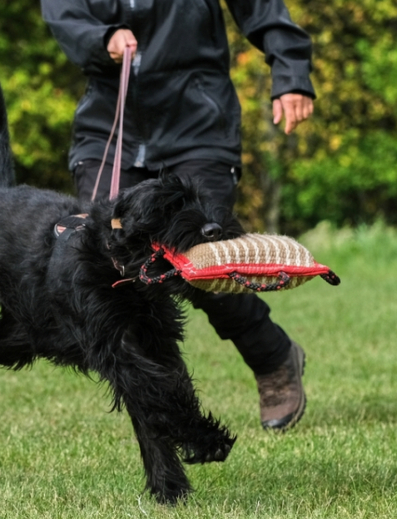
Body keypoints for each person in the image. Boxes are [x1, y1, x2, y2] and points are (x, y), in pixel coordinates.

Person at [41, 0, 316, 430]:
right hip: (109, 131)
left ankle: (273, 357)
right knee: (108, 265)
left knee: (202, 264)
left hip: (198, 127)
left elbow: (262, 9)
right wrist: (101, 38)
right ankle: (161, 403)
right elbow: (63, 12)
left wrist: (292, 76)